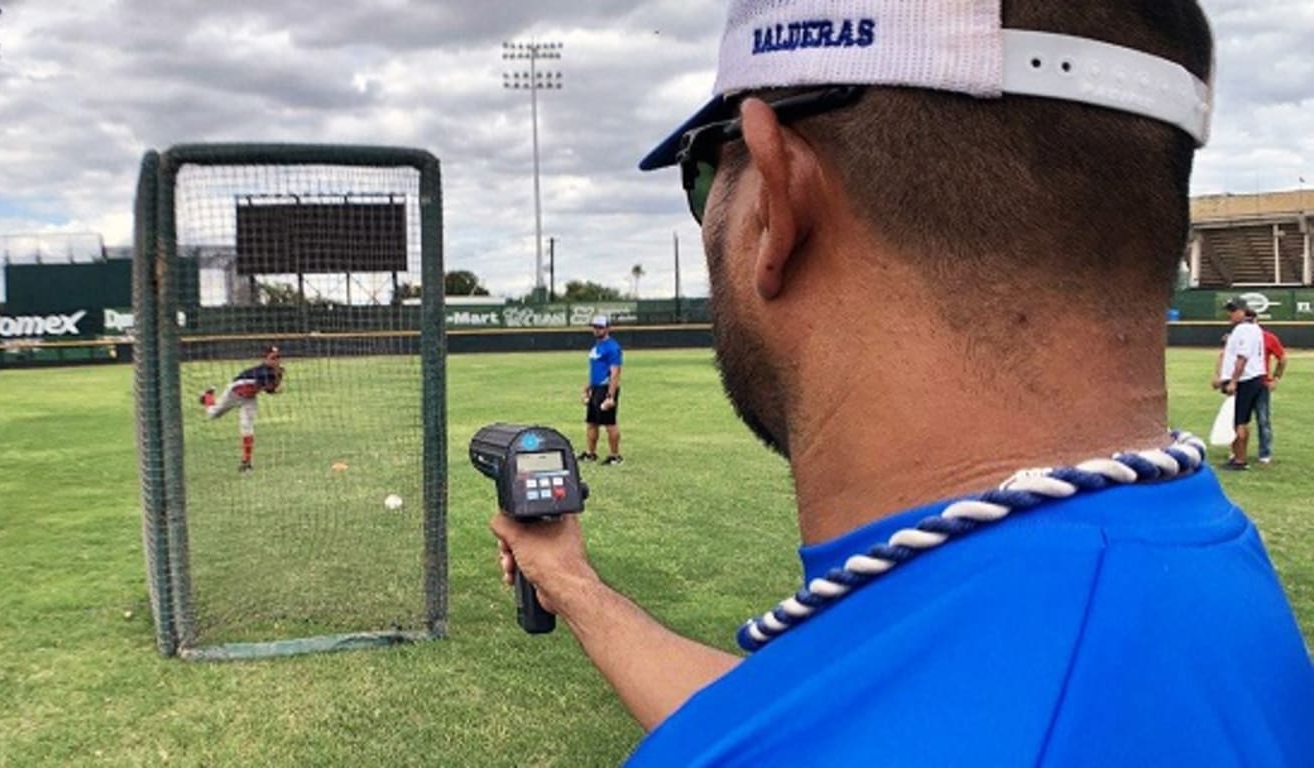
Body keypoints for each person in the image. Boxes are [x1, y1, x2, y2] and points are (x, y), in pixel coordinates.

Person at [490, 1, 1314, 765]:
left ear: (777, 200)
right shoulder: (1189, 562)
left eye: (704, 172)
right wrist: (576, 587)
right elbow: (824, 717)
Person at [200, 345, 284, 472]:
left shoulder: (274, 373)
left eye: (278, 357)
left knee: (247, 427)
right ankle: (207, 396)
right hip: (233, 394)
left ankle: (246, 463)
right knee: (212, 414)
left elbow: (268, 389)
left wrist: (275, 385)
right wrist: (276, 382)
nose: (276, 360)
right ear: (265, 359)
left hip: (249, 398)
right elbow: (266, 384)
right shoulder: (262, 372)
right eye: (273, 357)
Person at [1212, 298, 1267, 470]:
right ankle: (1237, 456)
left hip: (1246, 380)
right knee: (1240, 420)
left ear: (1243, 311)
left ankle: (1240, 460)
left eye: (1233, 310)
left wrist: (1233, 381)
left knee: (1239, 421)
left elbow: (1242, 358)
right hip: (1252, 378)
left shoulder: (1245, 329)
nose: (1230, 314)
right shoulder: (1252, 328)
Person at [578, 315, 624, 466]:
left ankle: (615, 456)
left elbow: (615, 372)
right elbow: (595, 370)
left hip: (606, 388)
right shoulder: (597, 346)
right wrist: (587, 388)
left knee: (610, 423)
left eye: (600, 327)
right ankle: (591, 453)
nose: (596, 330)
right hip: (596, 388)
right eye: (595, 327)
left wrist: (610, 396)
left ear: (607, 328)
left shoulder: (612, 347)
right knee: (592, 422)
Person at [1250, 309, 1288, 463]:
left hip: (1261, 383)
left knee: (1263, 418)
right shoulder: (1239, 337)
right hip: (1244, 382)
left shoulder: (1268, 338)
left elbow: (1283, 358)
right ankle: (1237, 451)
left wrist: (1275, 378)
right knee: (1239, 419)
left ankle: (1265, 452)